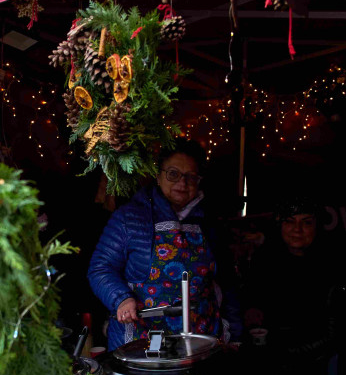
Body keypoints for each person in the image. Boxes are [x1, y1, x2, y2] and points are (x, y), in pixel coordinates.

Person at [89, 139, 240, 350]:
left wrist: (235, 332)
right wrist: (121, 299)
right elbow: (100, 268)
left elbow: (226, 280)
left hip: (201, 336)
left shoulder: (209, 221)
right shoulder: (129, 217)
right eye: (173, 174)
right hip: (143, 336)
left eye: (191, 177)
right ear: (158, 175)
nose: (182, 183)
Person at [241, 199, 337, 375]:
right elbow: (251, 304)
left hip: (312, 367)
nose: (297, 229)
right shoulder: (264, 260)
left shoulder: (329, 266)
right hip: (265, 367)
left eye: (307, 222)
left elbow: (332, 332)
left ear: (317, 226)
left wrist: (285, 353)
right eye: (290, 221)